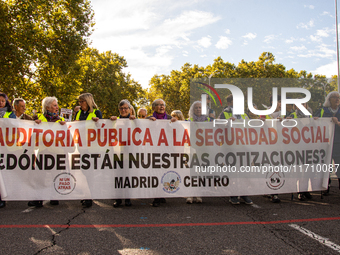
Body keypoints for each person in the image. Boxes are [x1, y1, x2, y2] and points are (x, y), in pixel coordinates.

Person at [28, 96, 66, 207]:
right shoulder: (38, 118)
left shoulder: (61, 120)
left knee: (55, 175)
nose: (57, 107)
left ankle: (54, 196)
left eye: (57, 105)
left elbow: (66, 136)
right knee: (40, 176)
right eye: (54, 105)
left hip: (56, 152)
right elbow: (30, 133)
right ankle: (38, 198)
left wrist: (65, 128)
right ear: (47, 107)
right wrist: (34, 124)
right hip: (43, 151)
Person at [147, 99, 177, 207]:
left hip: (167, 151)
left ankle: (162, 194)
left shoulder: (170, 119)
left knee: (165, 173)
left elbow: (179, 132)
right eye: (158, 105)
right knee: (155, 173)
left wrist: (176, 123)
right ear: (153, 108)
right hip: (153, 151)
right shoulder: (148, 119)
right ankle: (156, 197)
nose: (161, 107)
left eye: (163, 105)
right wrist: (147, 123)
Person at [75, 93, 102, 207]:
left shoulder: (96, 112)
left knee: (90, 173)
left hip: (93, 148)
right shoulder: (79, 113)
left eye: (82, 101)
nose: (80, 104)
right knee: (84, 172)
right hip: (81, 147)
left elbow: (103, 128)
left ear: (88, 102)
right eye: (79, 102)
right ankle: (87, 195)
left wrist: (98, 122)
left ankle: (89, 197)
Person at [110, 99, 136, 207]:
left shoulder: (134, 120)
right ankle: (118, 199)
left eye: (126, 108)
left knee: (129, 175)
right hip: (118, 152)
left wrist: (135, 120)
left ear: (130, 109)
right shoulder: (115, 120)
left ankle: (128, 198)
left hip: (130, 152)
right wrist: (110, 121)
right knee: (118, 176)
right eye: (121, 108)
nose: (123, 110)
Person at [315, 91, 340, 194]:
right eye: (334, 97)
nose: (337, 99)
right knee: (326, 166)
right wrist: (315, 120)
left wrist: (337, 123)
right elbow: (314, 125)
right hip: (326, 143)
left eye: (338, 97)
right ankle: (326, 185)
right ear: (329, 99)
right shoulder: (322, 111)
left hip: (338, 143)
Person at [186, 101, 211, 204]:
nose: (198, 109)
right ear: (193, 110)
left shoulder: (209, 120)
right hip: (192, 148)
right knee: (192, 172)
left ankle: (199, 194)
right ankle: (190, 195)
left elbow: (220, 125)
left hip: (204, 150)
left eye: (200, 107)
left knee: (202, 172)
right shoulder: (188, 120)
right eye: (196, 108)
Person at [0, 92, 16, 208]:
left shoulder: (11, 114)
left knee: (3, 173)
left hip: (5, 146)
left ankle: (2, 198)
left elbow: (15, 127)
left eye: (2, 101)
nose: (0, 103)